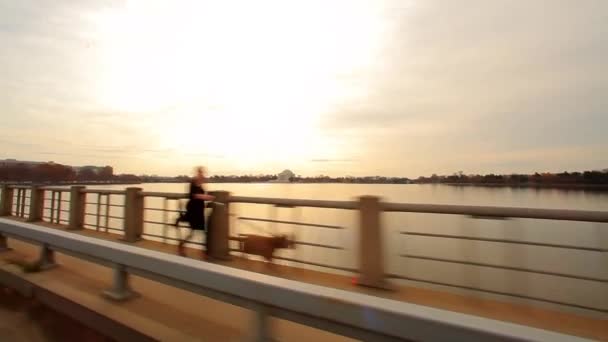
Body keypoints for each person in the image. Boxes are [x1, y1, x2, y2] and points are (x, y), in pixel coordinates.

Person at [177, 166, 215, 257]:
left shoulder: (200, 184)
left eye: (203, 173)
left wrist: (207, 197)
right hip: (193, 210)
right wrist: (207, 197)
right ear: (198, 173)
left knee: (202, 231)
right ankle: (182, 246)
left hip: (200, 210)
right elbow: (194, 195)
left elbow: (202, 195)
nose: (202, 175)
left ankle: (203, 251)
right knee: (194, 231)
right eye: (201, 173)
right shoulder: (193, 183)